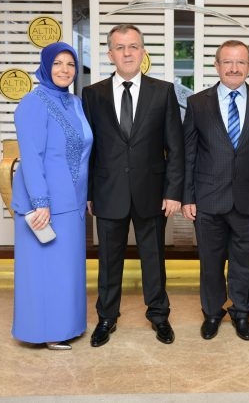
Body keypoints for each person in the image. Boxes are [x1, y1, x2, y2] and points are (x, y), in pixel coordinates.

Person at [82, 24, 184, 347]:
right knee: (108, 260)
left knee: (153, 257)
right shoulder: (93, 94)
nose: (127, 53)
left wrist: (173, 191)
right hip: (108, 191)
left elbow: (176, 147)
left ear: (143, 51)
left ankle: (159, 315)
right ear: (110, 54)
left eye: (133, 46)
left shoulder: (163, 91)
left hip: (151, 192)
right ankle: (107, 317)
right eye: (120, 47)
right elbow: (88, 149)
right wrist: (88, 194)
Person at [182, 40, 249, 341]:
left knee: (245, 260)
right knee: (210, 262)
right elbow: (189, 154)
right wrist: (187, 196)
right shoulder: (198, 103)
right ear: (217, 65)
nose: (234, 68)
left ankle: (241, 312)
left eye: (240, 62)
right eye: (228, 62)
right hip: (208, 198)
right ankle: (212, 312)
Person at [11, 42, 92, 350]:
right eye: (57, 63)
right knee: (44, 271)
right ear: (46, 66)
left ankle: (66, 326)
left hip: (71, 203)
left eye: (70, 64)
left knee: (66, 270)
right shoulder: (33, 103)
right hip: (44, 204)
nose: (64, 70)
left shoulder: (73, 102)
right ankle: (43, 331)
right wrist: (41, 201)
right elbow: (31, 157)